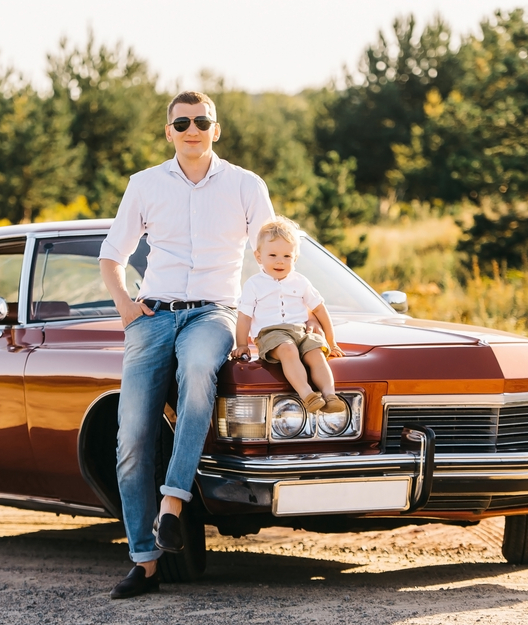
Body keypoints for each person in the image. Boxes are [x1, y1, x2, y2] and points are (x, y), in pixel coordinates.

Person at [99, 90, 275, 599]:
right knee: (130, 440)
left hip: (213, 314)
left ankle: (172, 505)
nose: (192, 130)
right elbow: (112, 255)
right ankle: (144, 562)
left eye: (202, 121)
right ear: (169, 131)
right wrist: (127, 310)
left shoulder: (246, 185)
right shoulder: (145, 185)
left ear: (216, 129)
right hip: (152, 316)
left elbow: (271, 254)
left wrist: (262, 321)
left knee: (199, 372)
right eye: (182, 123)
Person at [231, 216, 346, 415]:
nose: (280, 261)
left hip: (300, 331)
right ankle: (308, 395)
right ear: (259, 257)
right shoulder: (254, 284)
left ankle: (329, 395)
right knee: (288, 350)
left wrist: (331, 341)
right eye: (273, 255)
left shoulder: (301, 282)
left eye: (287, 256)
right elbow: (244, 317)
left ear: (295, 258)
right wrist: (241, 343)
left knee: (317, 352)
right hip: (271, 334)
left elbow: (319, 309)